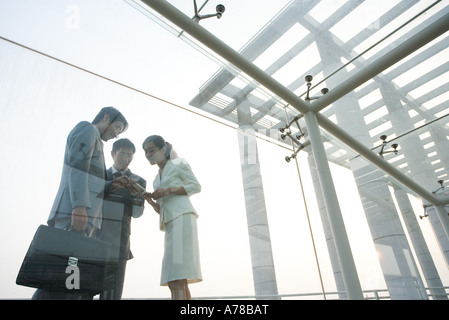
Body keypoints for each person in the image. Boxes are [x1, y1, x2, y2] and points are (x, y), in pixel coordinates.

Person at [32, 106, 133, 300]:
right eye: (117, 127)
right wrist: (79, 207)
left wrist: (110, 185)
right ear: (105, 117)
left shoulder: (97, 142)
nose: (116, 134)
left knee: (70, 280)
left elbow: (92, 181)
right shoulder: (87, 129)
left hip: (85, 218)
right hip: (75, 215)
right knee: (58, 278)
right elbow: (77, 167)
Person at [142, 135, 202, 300]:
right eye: (146, 152)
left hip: (182, 219)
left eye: (151, 150)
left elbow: (196, 186)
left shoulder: (178, 163)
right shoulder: (156, 180)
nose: (148, 154)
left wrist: (169, 190)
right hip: (170, 224)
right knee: (178, 277)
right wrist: (150, 201)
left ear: (163, 149)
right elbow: (161, 209)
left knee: (175, 277)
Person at [100, 138, 146, 300]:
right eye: (123, 153)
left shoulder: (139, 181)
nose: (126, 158)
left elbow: (138, 213)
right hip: (95, 238)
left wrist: (135, 195)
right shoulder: (99, 174)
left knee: (113, 294)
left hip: (120, 241)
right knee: (84, 289)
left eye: (130, 155)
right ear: (113, 153)